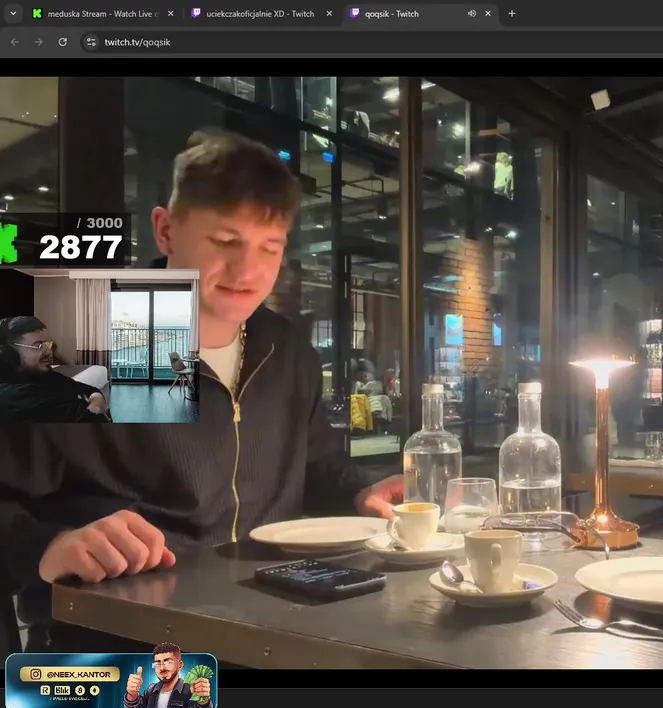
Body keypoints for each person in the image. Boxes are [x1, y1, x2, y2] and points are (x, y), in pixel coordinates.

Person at [0, 130, 406, 652]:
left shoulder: (284, 349)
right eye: (225, 242)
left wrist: (360, 492)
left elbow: (314, 465)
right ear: (166, 231)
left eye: (269, 247)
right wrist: (50, 544)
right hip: (120, 648)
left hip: (267, 633)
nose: (247, 271)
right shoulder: (98, 342)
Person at [0, 316, 110, 423]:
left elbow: (91, 390)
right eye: (38, 346)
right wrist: (96, 407)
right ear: (9, 354)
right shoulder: (16, 397)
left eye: (47, 344)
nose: (49, 352)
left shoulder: (43, 376)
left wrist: (94, 407)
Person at [123, 642, 212, 708]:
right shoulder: (152, 689)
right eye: (158, 664)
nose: (162, 668)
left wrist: (203, 700)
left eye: (168, 662)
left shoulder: (187, 690)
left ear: (180, 665)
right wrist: (132, 694)